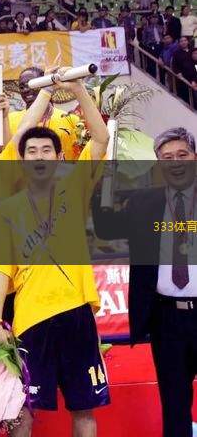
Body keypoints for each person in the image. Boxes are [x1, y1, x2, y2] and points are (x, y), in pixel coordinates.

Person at [0, 68, 111, 437]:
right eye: (32, 151)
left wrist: (78, 89)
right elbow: (1, 270)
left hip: (76, 313)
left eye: (47, 150)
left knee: (83, 408)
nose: (39, 156)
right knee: (22, 411)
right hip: (31, 319)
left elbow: (101, 138)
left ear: (59, 157)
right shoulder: (7, 210)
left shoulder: (75, 187)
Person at [92, 128, 197, 437]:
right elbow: (106, 228)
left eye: (182, 155)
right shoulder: (144, 202)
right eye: (167, 158)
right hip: (167, 319)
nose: (175, 163)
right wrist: (102, 182)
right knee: (174, 403)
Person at [9, 66, 82, 160]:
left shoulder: (71, 119)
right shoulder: (10, 120)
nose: (26, 90)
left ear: (46, 83)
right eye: (22, 87)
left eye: (31, 84)